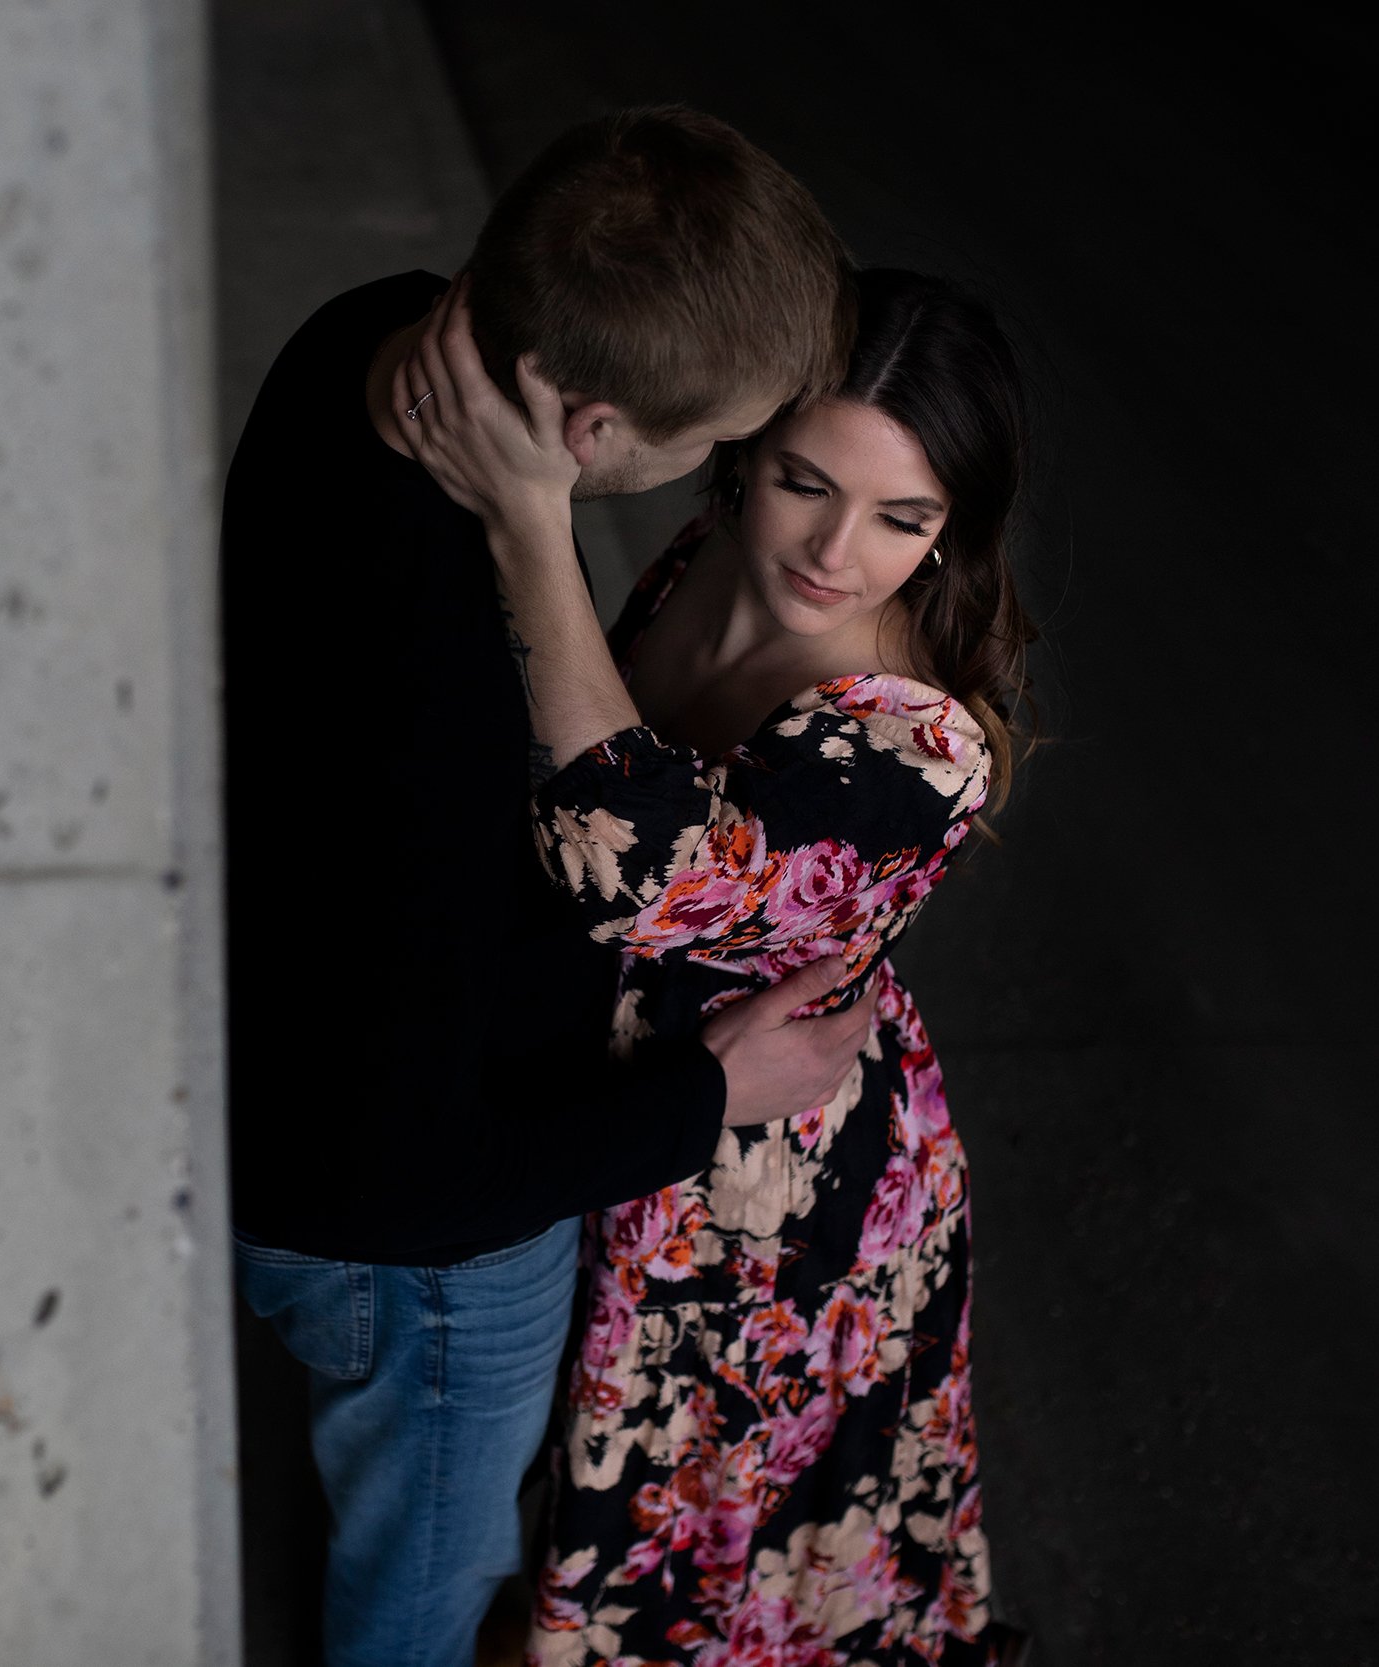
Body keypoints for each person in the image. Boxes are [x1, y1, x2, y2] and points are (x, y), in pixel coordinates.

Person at [221, 108, 869, 1667]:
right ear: (580, 433)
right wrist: (712, 1101)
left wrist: (526, 524)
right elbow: (419, 1177)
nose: (718, 474)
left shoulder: (357, 335)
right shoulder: (433, 703)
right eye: (713, 445)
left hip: (285, 1068)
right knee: (425, 1584)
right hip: (409, 1253)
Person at [396, 267, 1036, 1664]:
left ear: (955, 531)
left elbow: (634, 872)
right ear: (748, 447)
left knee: (685, 1566)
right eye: (805, 481)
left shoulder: (918, 746)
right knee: (531, 1499)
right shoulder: (708, 557)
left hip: (761, 1210)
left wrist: (525, 521)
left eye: (903, 519)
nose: (831, 550)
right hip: (612, 1108)